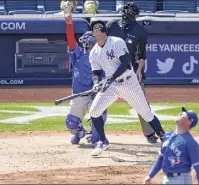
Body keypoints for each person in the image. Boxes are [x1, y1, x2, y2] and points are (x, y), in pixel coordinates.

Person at [88, 20, 165, 156]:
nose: (97, 30)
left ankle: (164, 138)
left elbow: (126, 64)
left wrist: (109, 80)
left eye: (99, 28)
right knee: (94, 112)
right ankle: (102, 141)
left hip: (128, 83)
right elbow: (96, 73)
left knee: (146, 113)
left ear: (104, 31)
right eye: (94, 28)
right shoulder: (94, 52)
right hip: (111, 86)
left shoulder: (116, 42)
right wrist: (96, 83)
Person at [106, 2, 158, 144]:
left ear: (137, 15)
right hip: (110, 71)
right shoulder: (112, 25)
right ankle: (94, 132)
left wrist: (139, 70)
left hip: (130, 72)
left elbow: (142, 55)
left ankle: (150, 133)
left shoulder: (141, 31)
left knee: (142, 104)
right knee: (98, 101)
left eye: (130, 13)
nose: (126, 15)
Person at [63, 14, 107, 146]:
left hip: (95, 95)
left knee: (99, 117)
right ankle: (80, 133)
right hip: (79, 94)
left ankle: (95, 137)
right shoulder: (77, 53)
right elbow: (70, 38)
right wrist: (69, 24)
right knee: (71, 123)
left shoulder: (102, 55)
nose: (87, 42)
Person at [143, 107, 199, 185]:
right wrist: (150, 176)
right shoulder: (167, 135)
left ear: (189, 122)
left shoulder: (190, 142)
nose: (180, 114)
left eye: (184, 114)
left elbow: (198, 167)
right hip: (166, 179)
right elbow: (161, 158)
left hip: (181, 180)